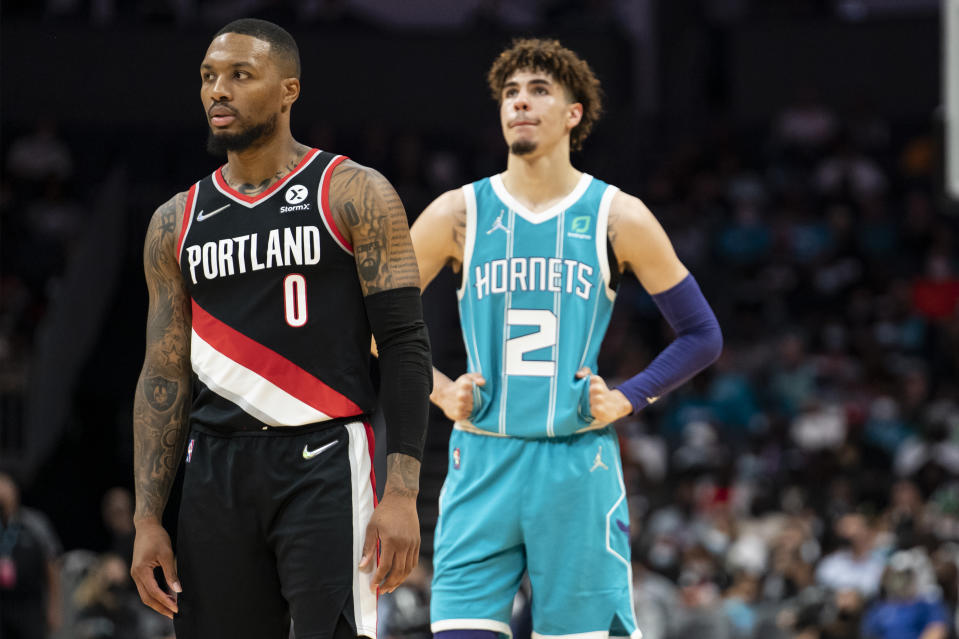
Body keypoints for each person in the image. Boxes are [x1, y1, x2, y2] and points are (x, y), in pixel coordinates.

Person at [130, 18, 432, 639]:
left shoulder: (354, 191)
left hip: (324, 459)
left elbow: (405, 344)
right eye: (210, 77)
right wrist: (146, 517)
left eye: (241, 75)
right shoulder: (174, 220)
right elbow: (163, 373)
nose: (219, 91)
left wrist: (402, 492)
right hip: (213, 468)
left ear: (289, 89)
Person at [411, 38, 723, 638]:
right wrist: (439, 390)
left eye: (538, 91)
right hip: (482, 459)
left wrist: (631, 396)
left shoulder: (616, 214)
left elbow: (702, 335)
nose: (520, 104)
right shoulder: (458, 213)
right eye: (510, 93)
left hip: (577, 464)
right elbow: (364, 323)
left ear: (573, 113)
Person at [0, 471, 63, 639]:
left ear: (15, 490)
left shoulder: (35, 523)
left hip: (30, 606)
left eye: (5, 485)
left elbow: (52, 564)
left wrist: (54, 607)